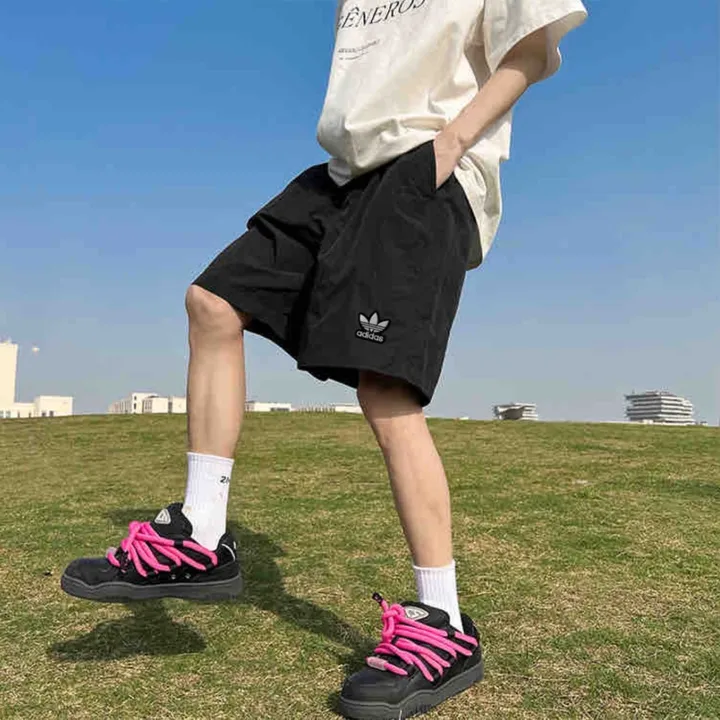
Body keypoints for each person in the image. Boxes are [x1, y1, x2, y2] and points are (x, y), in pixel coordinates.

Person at [61, 1, 587, 716]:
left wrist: (449, 145)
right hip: (339, 176)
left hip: (425, 169)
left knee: (386, 391)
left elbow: (530, 51)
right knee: (212, 302)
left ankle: (443, 624)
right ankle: (202, 534)